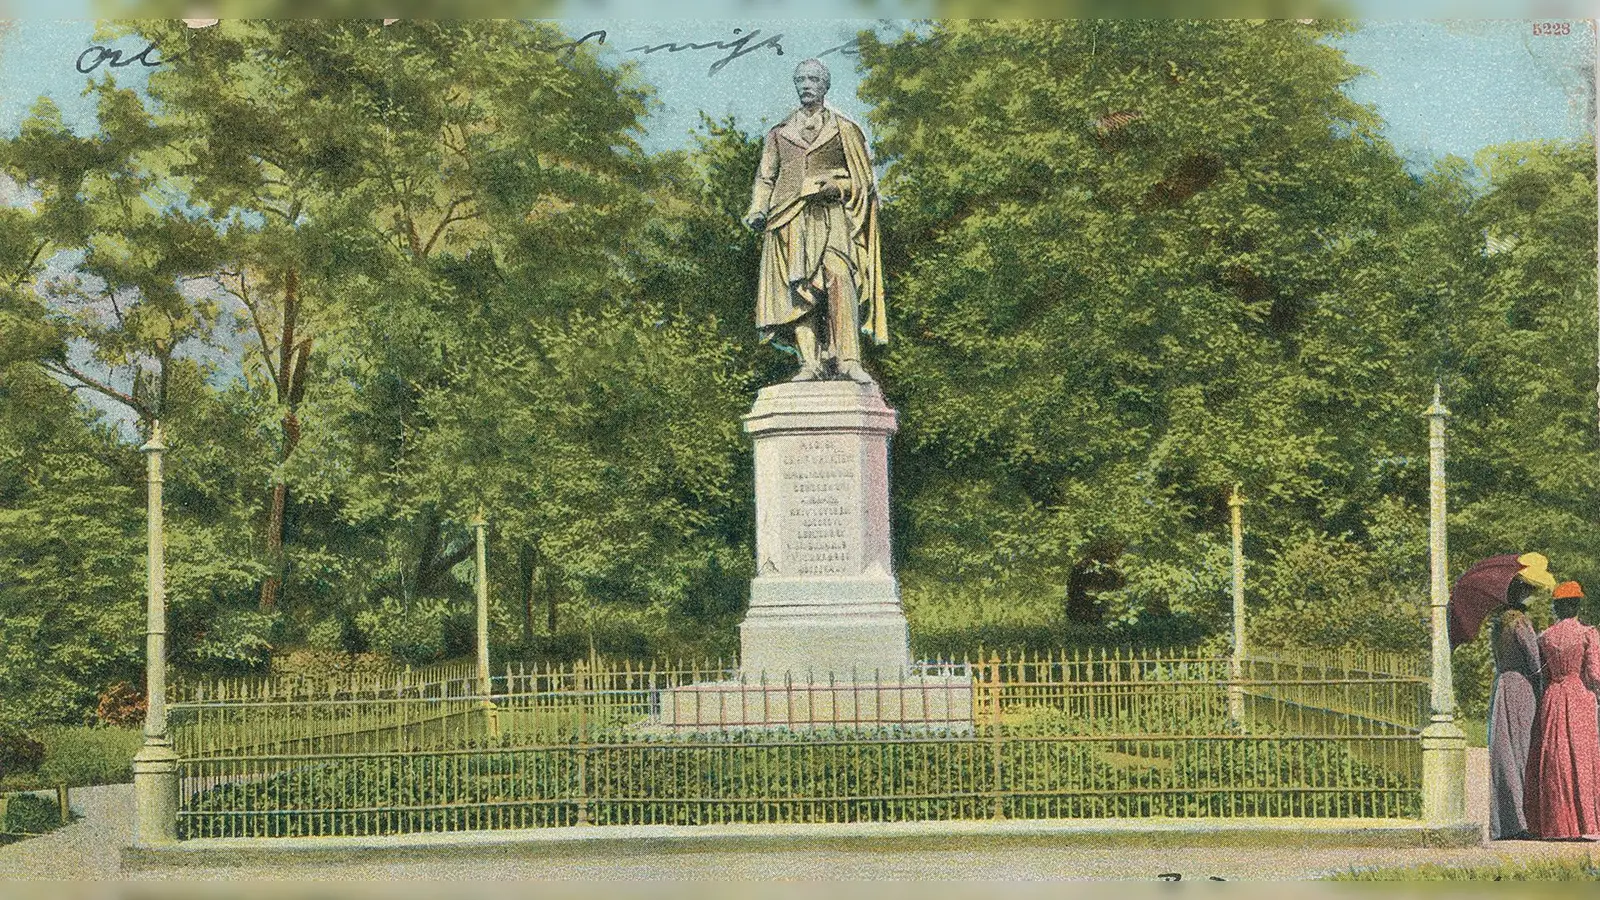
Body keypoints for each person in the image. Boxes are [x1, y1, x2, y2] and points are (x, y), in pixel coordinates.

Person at [743, 58, 885, 384]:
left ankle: (849, 359)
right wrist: (757, 209)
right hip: (788, 217)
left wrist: (837, 187)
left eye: (813, 79)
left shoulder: (845, 130)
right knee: (799, 290)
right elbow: (766, 177)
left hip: (831, 214)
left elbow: (864, 183)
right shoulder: (779, 133)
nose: (807, 85)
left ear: (825, 85)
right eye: (801, 80)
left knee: (839, 278)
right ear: (796, 86)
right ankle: (809, 364)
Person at [1524, 581, 1600, 840]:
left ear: (1557, 607)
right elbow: (1595, 673)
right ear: (1577, 605)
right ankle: (1581, 821)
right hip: (1578, 695)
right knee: (1580, 755)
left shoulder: (1545, 636)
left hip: (1553, 696)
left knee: (1555, 757)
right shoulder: (1588, 633)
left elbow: (1542, 673)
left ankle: (1557, 821)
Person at [1486, 577, 1543, 840]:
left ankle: (1505, 820)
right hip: (1521, 686)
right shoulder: (1521, 624)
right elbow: (1534, 660)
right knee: (1523, 749)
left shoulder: (1497, 625)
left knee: (1503, 752)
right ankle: (1523, 820)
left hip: (1502, 686)